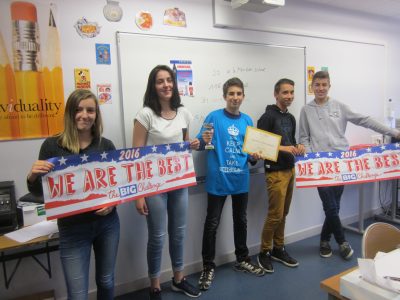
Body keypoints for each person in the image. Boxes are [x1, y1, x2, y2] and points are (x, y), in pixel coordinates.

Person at [27, 89, 119, 299]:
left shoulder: (106, 145)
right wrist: (32, 176)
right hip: (72, 229)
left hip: (107, 225)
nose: (84, 115)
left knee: (106, 281)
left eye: (90, 110)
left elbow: (117, 185)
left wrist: (113, 203)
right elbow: (41, 193)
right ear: (70, 112)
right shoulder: (52, 146)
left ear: (96, 115)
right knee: (77, 294)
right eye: (78, 109)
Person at [299, 71, 400, 260]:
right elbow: (303, 137)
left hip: (342, 163)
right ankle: (342, 242)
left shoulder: (339, 106)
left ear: (329, 86)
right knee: (330, 206)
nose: (320, 88)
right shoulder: (306, 110)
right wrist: (310, 158)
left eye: (324, 84)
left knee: (333, 207)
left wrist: (394, 132)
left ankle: (324, 241)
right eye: (317, 85)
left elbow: (365, 120)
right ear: (312, 87)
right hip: (321, 166)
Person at [132, 65, 201, 300]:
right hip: (154, 185)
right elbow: (136, 156)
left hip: (178, 182)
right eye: (160, 81)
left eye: (169, 80)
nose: (166, 85)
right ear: (154, 86)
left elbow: (183, 145)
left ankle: (179, 279)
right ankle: (154, 284)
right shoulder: (145, 115)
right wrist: (138, 194)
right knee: (158, 235)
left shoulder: (183, 113)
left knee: (179, 232)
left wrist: (191, 144)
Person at [197, 77, 265, 292]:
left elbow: (252, 156)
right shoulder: (213, 117)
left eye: (238, 94)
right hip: (218, 180)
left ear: (243, 96)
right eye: (231, 94)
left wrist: (255, 156)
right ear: (225, 96)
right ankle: (208, 266)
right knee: (212, 224)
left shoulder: (247, 121)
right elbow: (201, 144)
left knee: (241, 221)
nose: (235, 98)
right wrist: (204, 142)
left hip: (240, 180)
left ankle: (242, 259)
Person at [256, 78, 305, 273]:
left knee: (283, 213)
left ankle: (279, 248)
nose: (289, 96)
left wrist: (298, 147)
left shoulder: (291, 118)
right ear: (276, 94)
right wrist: (286, 148)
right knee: (275, 214)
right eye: (285, 92)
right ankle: (264, 252)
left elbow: (291, 141)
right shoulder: (267, 117)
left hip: (290, 169)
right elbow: (259, 146)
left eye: (292, 92)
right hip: (275, 172)